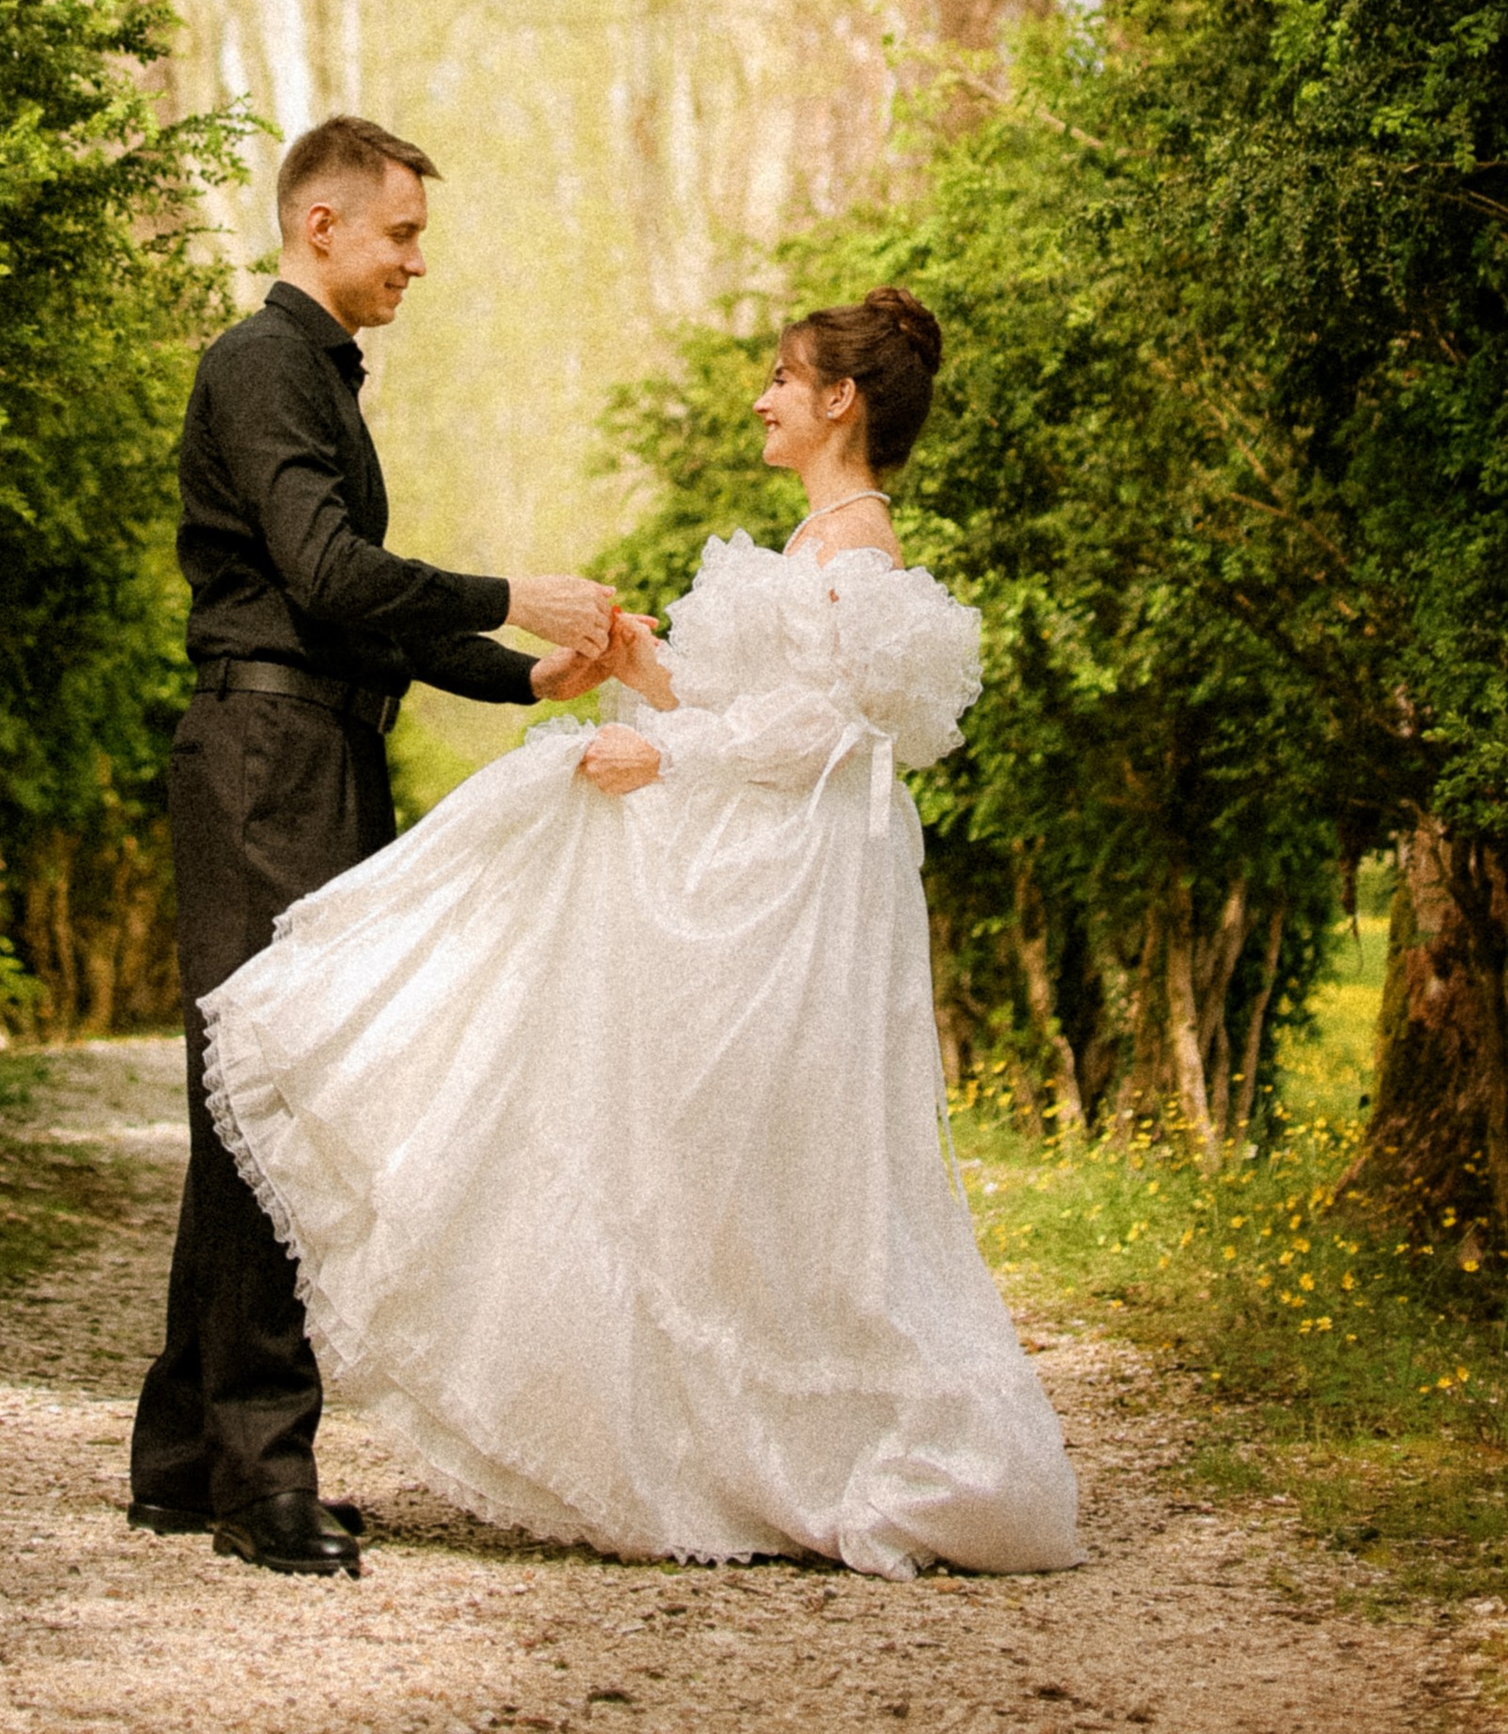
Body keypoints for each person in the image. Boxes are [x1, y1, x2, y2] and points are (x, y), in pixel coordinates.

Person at [199, 286, 1084, 1576]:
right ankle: (712, 1435)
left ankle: (841, 1440)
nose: (763, 399)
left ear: (841, 401)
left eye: (783, 379)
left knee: (756, 1150)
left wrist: (666, 757)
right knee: (700, 1137)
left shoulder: (859, 548)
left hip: (789, 891)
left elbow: (829, 730)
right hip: (752, 863)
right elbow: (750, 702)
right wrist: (635, 673)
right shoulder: (812, 542)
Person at [128, 115, 620, 1579]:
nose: (417, 260)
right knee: (271, 1095)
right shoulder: (260, 362)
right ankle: (261, 1480)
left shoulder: (315, 371)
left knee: (256, 1091)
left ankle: (182, 1460)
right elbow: (329, 573)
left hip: (315, 749)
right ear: (322, 225)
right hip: (265, 762)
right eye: (401, 234)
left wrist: (522, 678)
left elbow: (344, 612)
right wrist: (511, 595)